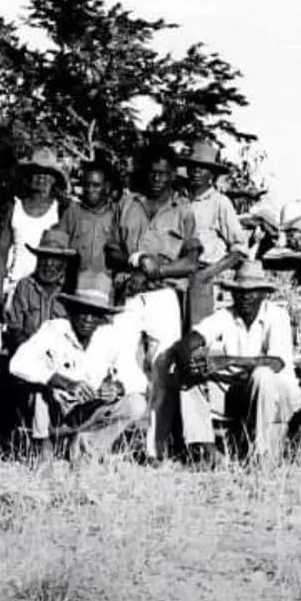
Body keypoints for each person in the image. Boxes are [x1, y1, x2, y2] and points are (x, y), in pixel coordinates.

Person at [105, 142, 200, 459]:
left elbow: (191, 260)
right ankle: (111, 441)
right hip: (128, 291)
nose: (157, 178)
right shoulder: (127, 202)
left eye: (164, 173)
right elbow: (112, 249)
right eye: (153, 172)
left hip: (162, 295)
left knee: (164, 369)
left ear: (173, 174)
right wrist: (136, 259)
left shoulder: (183, 209)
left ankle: (156, 450)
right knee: (120, 363)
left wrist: (156, 271)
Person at [8, 272, 148, 460]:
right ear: (70, 311)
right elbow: (18, 362)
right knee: (39, 390)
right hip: (55, 412)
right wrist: (64, 383)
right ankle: (44, 448)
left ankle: (87, 447)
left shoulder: (111, 336)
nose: (88, 319)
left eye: (95, 314)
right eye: (82, 311)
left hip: (89, 412)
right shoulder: (54, 329)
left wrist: (117, 387)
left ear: (102, 317)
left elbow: (137, 378)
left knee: (136, 403)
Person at [175, 260, 300, 463]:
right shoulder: (226, 316)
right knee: (190, 376)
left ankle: (261, 454)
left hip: (277, 396)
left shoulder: (277, 315)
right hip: (239, 391)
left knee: (262, 375)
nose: (245, 297)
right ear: (233, 294)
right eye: (240, 292)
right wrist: (189, 359)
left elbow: (276, 363)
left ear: (263, 294)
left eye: (252, 292)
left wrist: (227, 360)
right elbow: (190, 340)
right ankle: (207, 451)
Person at [180, 140, 249, 326]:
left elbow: (240, 249)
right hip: (174, 273)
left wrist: (209, 273)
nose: (196, 172)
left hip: (202, 275)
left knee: (197, 336)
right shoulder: (179, 200)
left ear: (212, 174)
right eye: (193, 167)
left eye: (202, 168)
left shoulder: (220, 202)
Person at [0, 147, 68, 309]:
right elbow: (1, 253)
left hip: (50, 291)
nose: (41, 178)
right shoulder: (15, 207)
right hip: (16, 287)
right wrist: (0, 292)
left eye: (47, 173)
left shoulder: (62, 210)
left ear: (54, 179)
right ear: (28, 176)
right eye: (36, 172)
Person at [4, 228, 75, 353]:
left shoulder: (71, 291)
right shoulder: (25, 286)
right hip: (28, 353)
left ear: (65, 262)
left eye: (55, 258)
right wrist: (32, 352)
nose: (48, 263)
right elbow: (15, 328)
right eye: (44, 257)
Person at [57, 160, 117, 277]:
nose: (90, 189)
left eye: (96, 185)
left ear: (107, 187)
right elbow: (59, 250)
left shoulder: (115, 215)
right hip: (74, 284)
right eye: (86, 184)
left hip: (105, 287)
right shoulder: (72, 212)